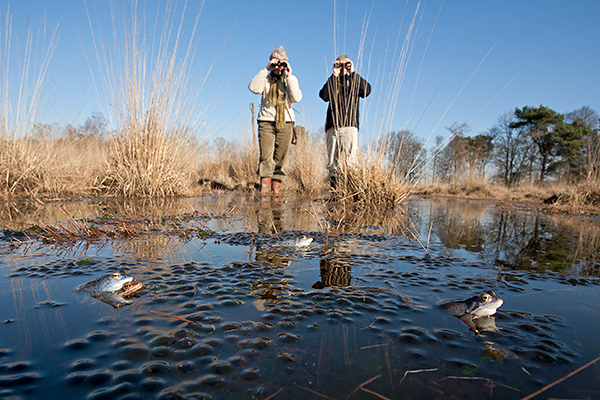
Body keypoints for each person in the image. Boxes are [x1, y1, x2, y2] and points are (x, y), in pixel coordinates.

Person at [249, 46, 302, 195]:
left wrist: (289, 75)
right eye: (276, 63)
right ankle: (265, 197)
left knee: (281, 159)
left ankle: (276, 196)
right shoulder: (265, 79)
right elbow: (253, 88)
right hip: (266, 122)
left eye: (282, 63)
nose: (279, 67)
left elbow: (296, 97)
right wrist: (266, 69)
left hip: (285, 123)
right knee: (266, 158)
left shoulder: (290, 80)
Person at [319, 55, 371, 188]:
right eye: (339, 65)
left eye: (345, 65)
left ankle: (349, 190)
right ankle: (335, 190)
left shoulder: (354, 80)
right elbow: (324, 96)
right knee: (332, 161)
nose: (342, 68)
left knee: (350, 161)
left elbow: (366, 91)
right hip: (333, 126)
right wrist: (334, 75)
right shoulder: (333, 81)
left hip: (350, 124)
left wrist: (352, 72)